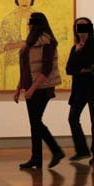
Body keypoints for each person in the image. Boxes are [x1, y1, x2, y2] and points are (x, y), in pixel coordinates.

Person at [14, 12, 65, 169]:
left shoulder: (47, 42)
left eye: (31, 23)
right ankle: (37, 158)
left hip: (42, 88)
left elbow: (47, 69)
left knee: (36, 122)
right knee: (34, 123)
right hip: (30, 87)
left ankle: (55, 151)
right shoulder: (29, 43)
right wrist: (18, 88)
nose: (29, 25)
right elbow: (25, 69)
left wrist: (32, 89)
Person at [66, 17, 94, 165]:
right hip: (79, 90)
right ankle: (82, 150)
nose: (81, 30)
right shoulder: (74, 48)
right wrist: (77, 56)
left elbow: (90, 65)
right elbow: (68, 69)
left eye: (84, 27)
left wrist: (80, 67)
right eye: (79, 27)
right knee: (72, 118)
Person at [0, 0, 35, 89]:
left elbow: (43, 40)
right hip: (13, 65)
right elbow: (2, 45)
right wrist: (22, 44)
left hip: (34, 65)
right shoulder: (8, 19)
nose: (24, 1)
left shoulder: (37, 17)